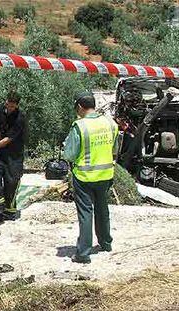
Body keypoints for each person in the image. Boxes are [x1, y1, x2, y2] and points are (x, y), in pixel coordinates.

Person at [63, 91, 119, 264]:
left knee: (86, 213)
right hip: (105, 174)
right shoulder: (110, 123)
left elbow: (70, 155)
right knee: (103, 210)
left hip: (84, 177)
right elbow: (115, 148)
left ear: (80, 106)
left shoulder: (79, 126)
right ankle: (106, 243)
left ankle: (83, 253)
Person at [0, 91, 26, 223]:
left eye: (13, 107)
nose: (10, 108)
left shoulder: (20, 117)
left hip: (14, 154)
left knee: (12, 181)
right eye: (8, 105)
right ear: (6, 102)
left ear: (17, 106)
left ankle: (9, 210)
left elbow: (9, 139)